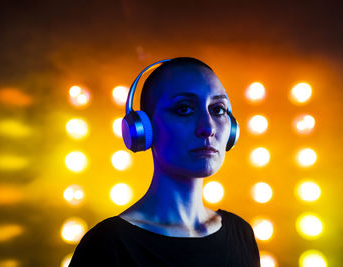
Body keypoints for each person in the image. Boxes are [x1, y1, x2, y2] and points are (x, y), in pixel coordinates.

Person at [69, 57, 261, 266]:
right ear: (143, 129)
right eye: (184, 109)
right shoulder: (106, 245)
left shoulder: (242, 234)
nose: (208, 127)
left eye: (218, 110)